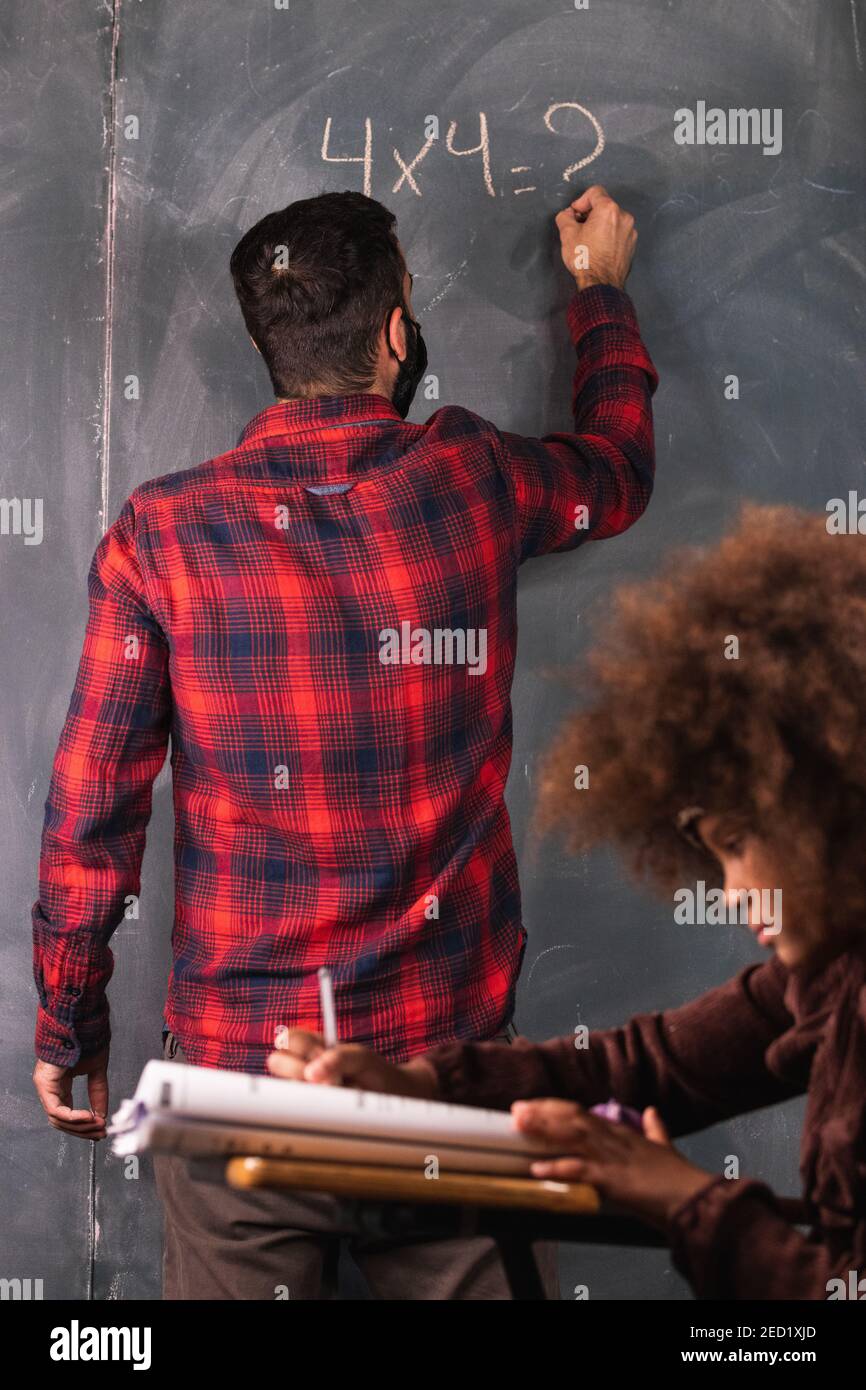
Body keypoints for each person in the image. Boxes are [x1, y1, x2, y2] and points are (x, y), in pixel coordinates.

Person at [31, 185, 657, 1299]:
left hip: (239, 1086)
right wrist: (599, 294)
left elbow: (93, 814)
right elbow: (614, 471)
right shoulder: (471, 479)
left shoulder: (161, 536)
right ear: (392, 335)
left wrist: (70, 1012)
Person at [271, 506, 866, 1300]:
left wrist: (675, 1196)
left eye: (736, 841)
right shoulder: (828, 972)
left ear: (829, 810)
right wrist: (416, 1086)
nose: (730, 893)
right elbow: (650, 1066)